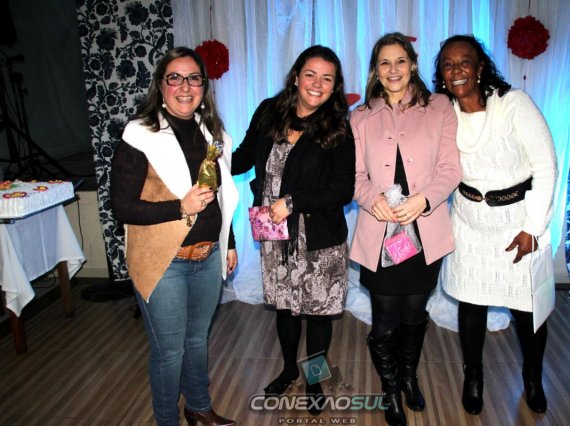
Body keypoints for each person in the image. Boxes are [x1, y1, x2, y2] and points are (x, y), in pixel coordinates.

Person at [111, 47, 238, 426]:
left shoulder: (213, 132)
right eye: (175, 78)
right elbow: (123, 208)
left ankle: (198, 407)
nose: (185, 87)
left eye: (194, 78)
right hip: (163, 262)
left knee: (197, 341)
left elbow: (221, 195)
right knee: (169, 353)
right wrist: (180, 207)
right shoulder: (140, 134)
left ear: (204, 85)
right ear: (161, 85)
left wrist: (229, 243)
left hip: (208, 256)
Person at [434, 34, 558, 415]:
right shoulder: (443, 112)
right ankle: (473, 376)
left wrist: (533, 228)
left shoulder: (514, 104)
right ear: (441, 75)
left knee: (526, 309)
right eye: (448, 64)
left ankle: (533, 377)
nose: (456, 70)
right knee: (472, 304)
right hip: (468, 222)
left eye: (464, 61)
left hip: (517, 223)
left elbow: (546, 167)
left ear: (480, 66)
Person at [231, 45, 354, 415]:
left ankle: (314, 380)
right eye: (310, 74)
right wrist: (206, 161)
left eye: (327, 78)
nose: (317, 84)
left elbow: (342, 189)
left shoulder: (337, 127)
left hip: (319, 237)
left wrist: (293, 202)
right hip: (273, 231)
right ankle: (288, 370)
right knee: (284, 309)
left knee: (318, 314)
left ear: (334, 86)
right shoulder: (269, 111)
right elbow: (243, 156)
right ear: (297, 76)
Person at [350, 32, 462, 426]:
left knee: (415, 312)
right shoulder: (360, 116)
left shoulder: (440, 106)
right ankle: (390, 388)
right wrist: (371, 199)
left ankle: (409, 376)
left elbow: (451, 168)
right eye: (385, 62)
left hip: (425, 230)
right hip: (379, 232)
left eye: (400, 61)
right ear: (375, 70)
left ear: (413, 64)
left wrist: (424, 200)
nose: (393, 69)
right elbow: (354, 176)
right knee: (384, 316)